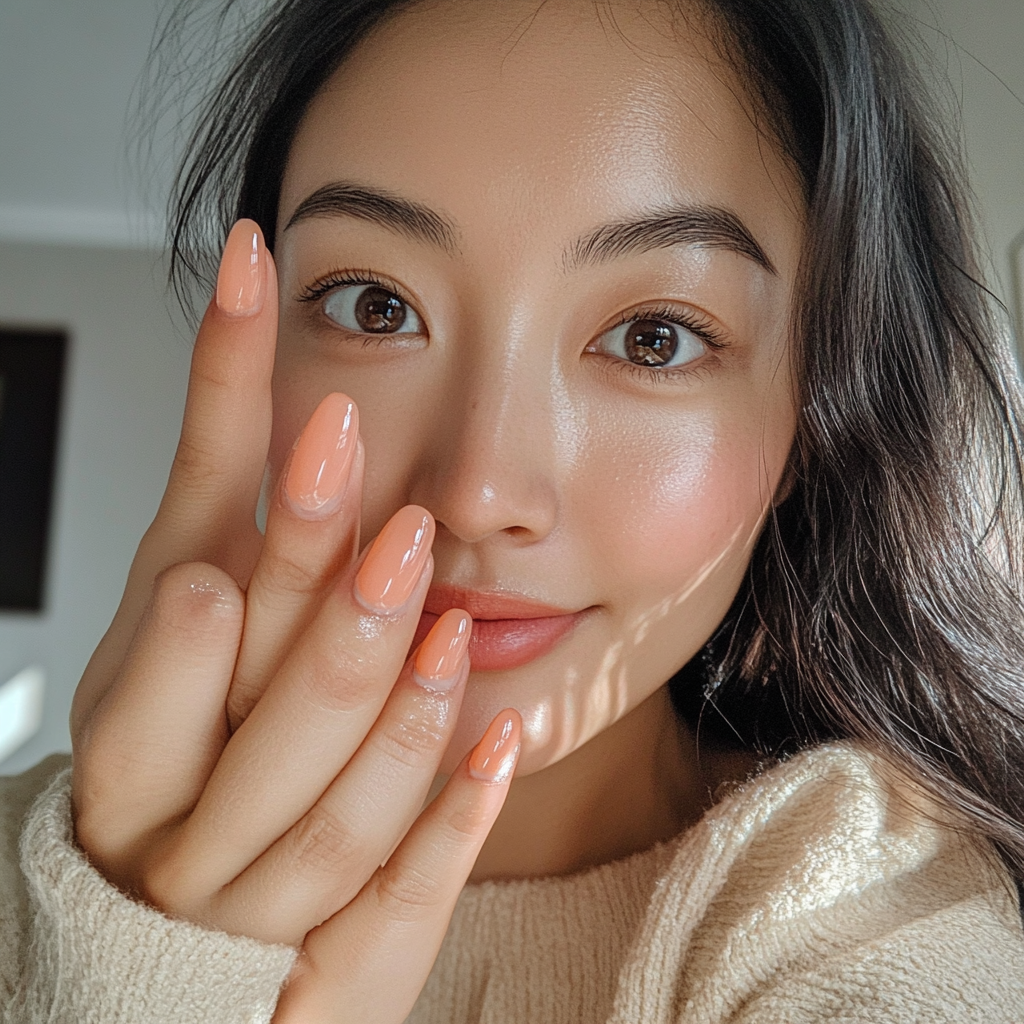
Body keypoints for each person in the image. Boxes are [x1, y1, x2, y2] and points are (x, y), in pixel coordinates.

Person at [3, 0, 1024, 1020]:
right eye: (375, 306)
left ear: (812, 414)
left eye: (654, 337)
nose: (478, 493)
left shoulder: (883, 916)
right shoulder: (33, 874)